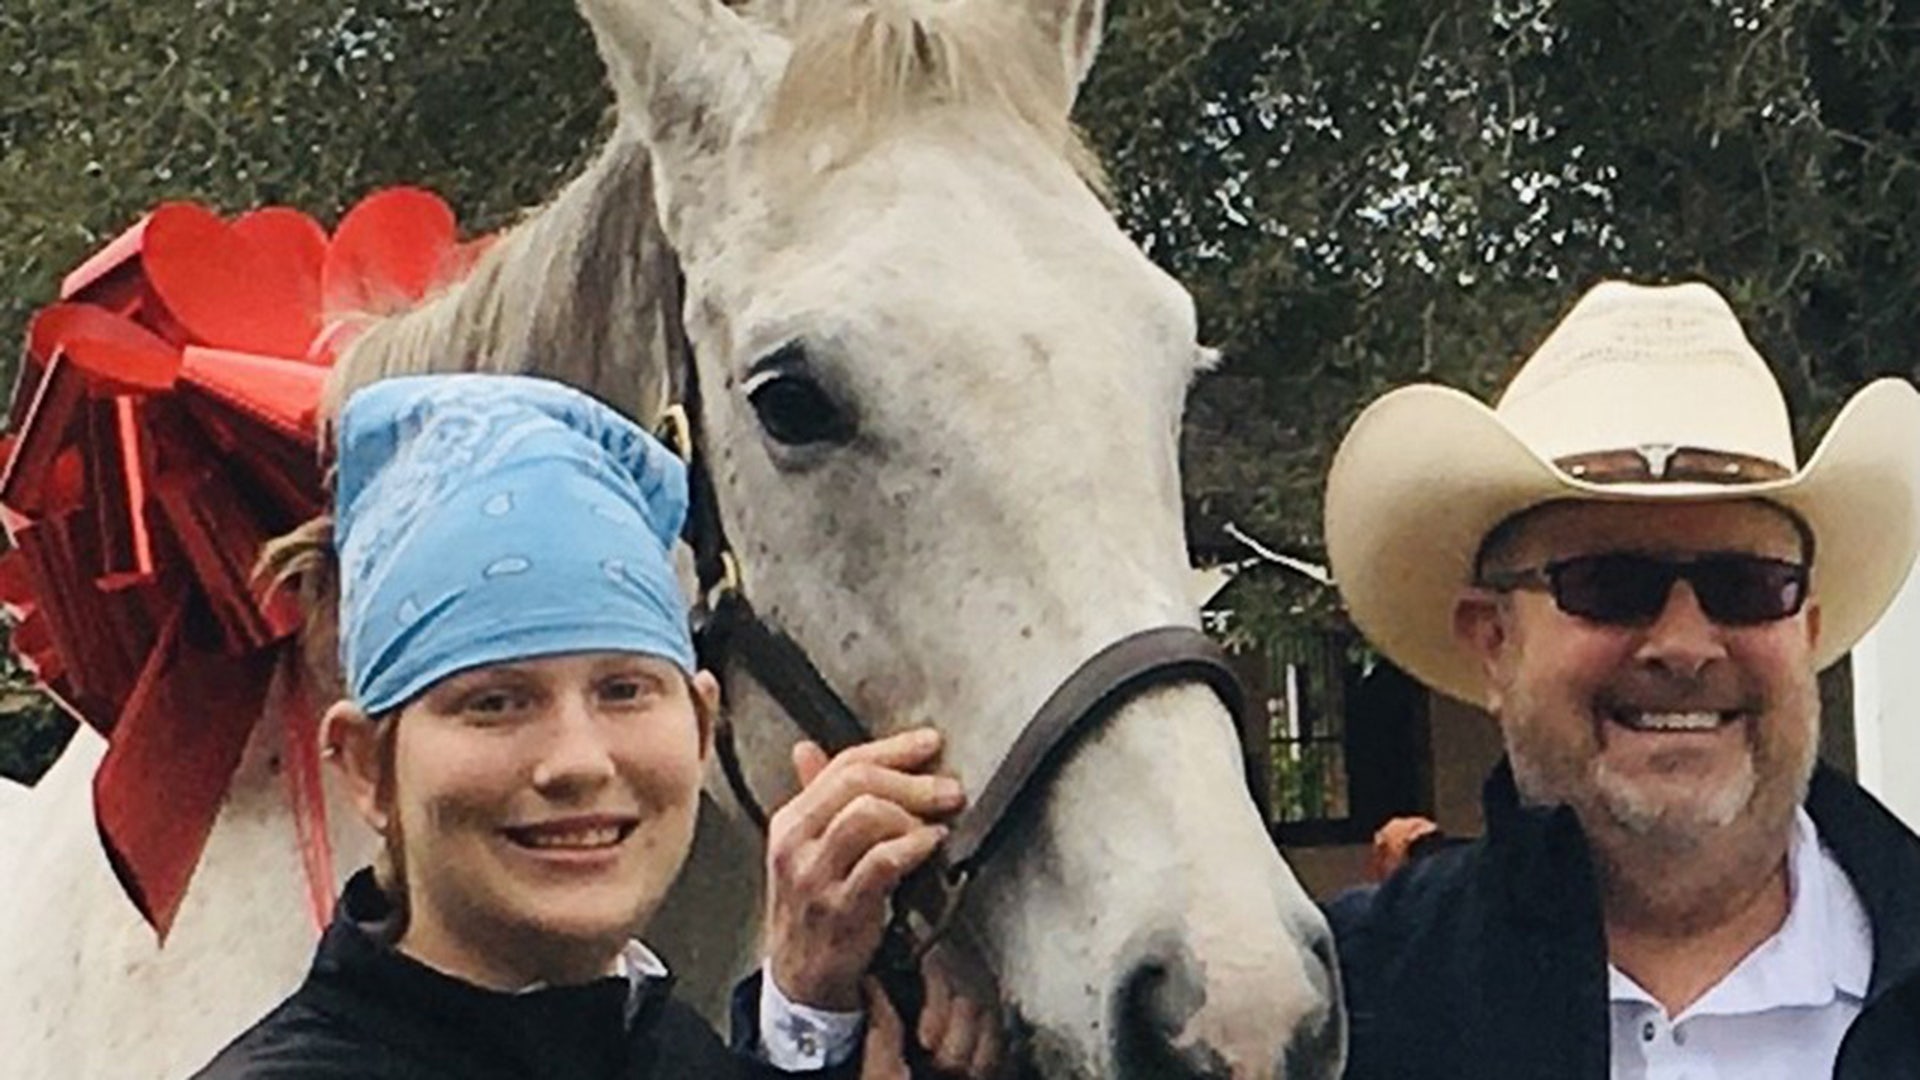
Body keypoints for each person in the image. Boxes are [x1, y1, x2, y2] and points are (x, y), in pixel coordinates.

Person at [192, 374, 991, 1078]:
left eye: (624, 690)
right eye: (495, 702)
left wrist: (814, 1014)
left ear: (702, 720)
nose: (577, 760)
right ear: (368, 766)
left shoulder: (654, 1042)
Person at [1320, 281, 1920, 1079]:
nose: (1684, 644)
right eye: (1609, 583)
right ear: (1493, 640)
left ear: (1805, 630)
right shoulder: (1339, 1018)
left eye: (1745, 585)